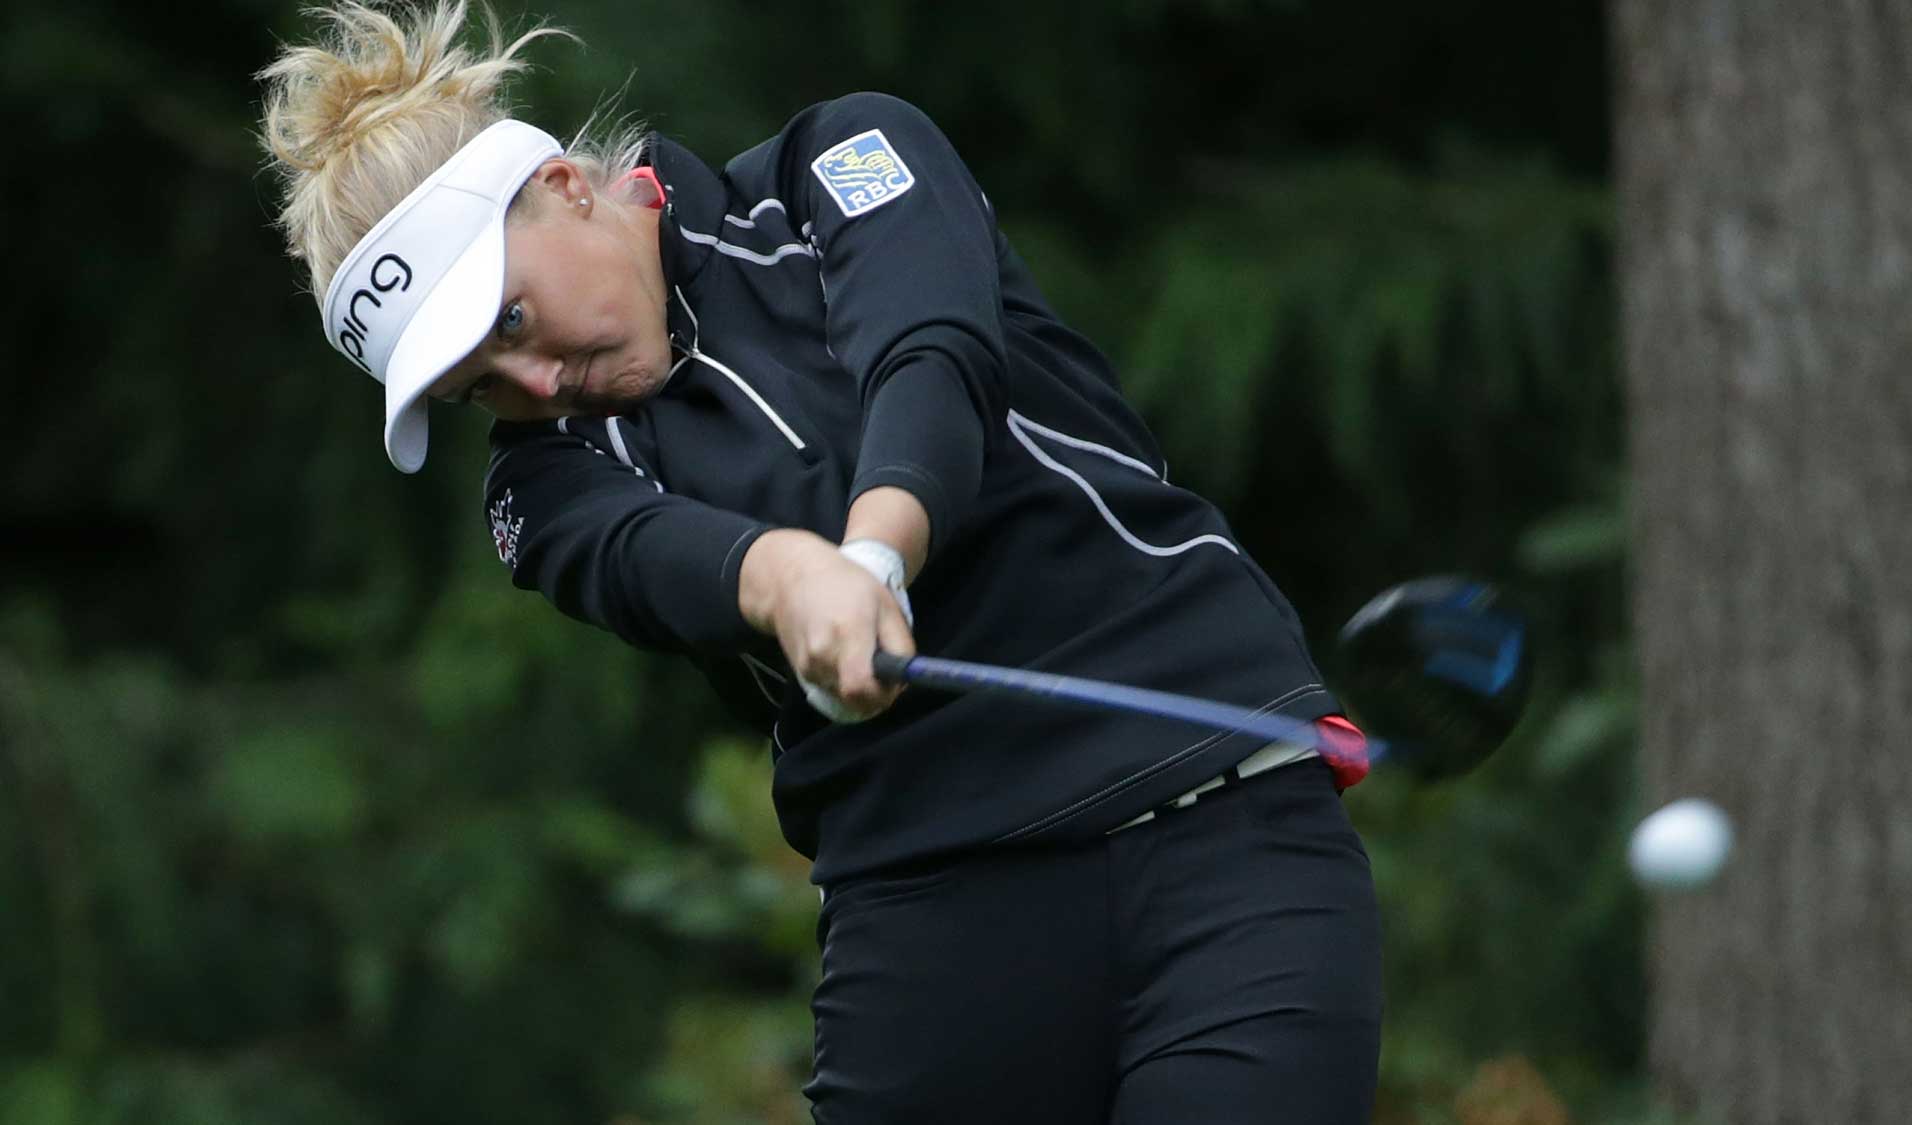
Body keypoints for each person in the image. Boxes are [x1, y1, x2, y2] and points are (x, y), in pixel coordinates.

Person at [259, 3, 1381, 1120]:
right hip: (932, 903)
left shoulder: (835, 163)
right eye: (478, 386)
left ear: (561, 187)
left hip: (1217, 814)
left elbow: (928, 354)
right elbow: (653, 557)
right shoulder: (539, 483)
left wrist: (873, 556)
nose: (535, 384)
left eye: (510, 321)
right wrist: (790, 579)